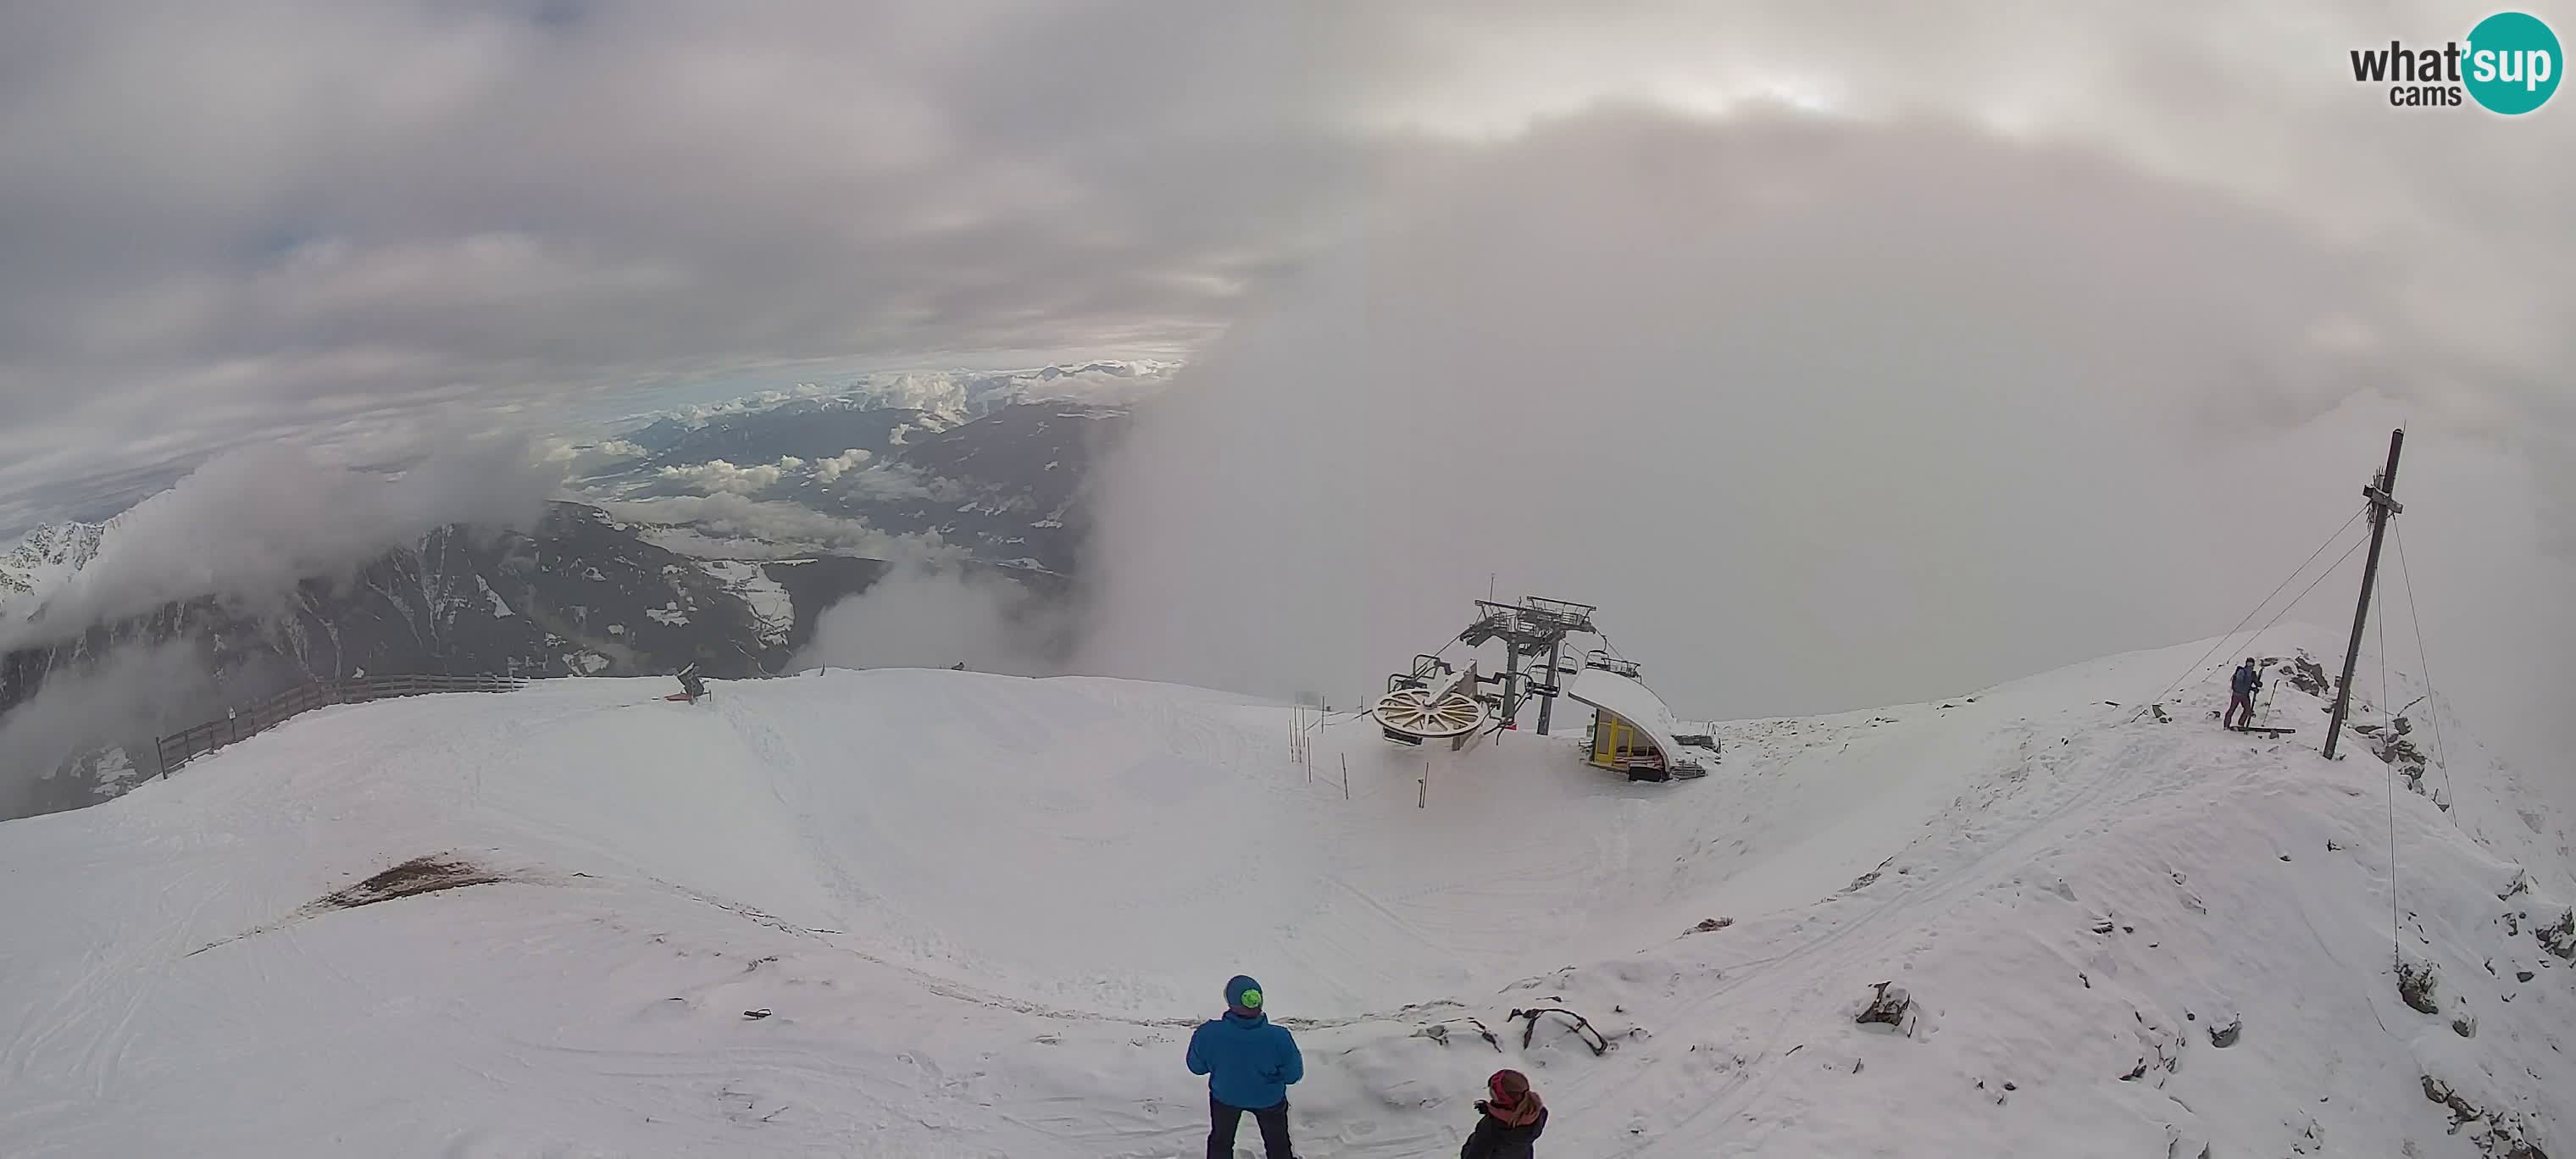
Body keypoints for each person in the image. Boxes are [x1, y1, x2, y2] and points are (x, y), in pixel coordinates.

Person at [1185, 974, 1302, 1159]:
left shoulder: (1208, 1033)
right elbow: (1293, 1076)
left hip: (1226, 1096)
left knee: (1221, 1141)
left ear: (1231, 1002)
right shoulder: (1279, 1037)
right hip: (1269, 1099)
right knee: (1277, 1143)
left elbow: (1196, 1067)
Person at [1460, 1069, 1548, 1159]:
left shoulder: (1491, 1128)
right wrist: (1491, 1109)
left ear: (1499, 1098)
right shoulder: (1538, 1112)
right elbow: (1513, 1117)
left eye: (1492, 1089)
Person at [2224, 657, 2261, 731]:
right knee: (2232, 709)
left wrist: (2255, 684)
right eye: (2249, 663)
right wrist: (2252, 688)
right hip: (2237, 695)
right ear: (2246, 664)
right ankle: (2226, 725)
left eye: (2251, 664)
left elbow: (2258, 684)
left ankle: (2241, 724)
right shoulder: (2242, 672)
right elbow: (2240, 685)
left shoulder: (2252, 674)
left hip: (2244, 695)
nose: (2250, 665)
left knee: (2247, 710)